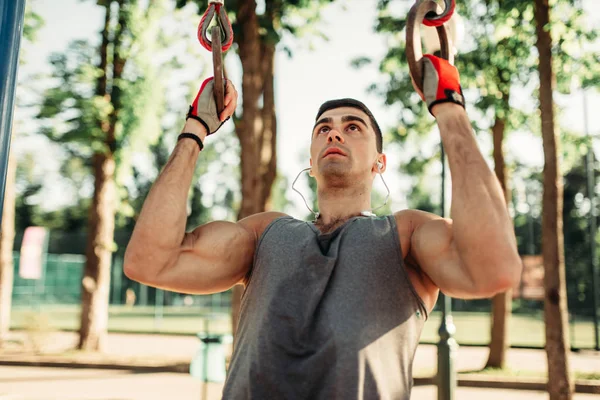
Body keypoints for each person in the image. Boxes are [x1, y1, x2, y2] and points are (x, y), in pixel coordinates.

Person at [124, 55, 522, 399]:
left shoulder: (406, 234)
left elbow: (492, 267)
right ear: (311, 163)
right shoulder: (265, 233)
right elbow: (150, 261)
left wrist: (449, 107)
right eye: (323, 128)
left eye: (353, 127)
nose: (335, 131)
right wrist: (195, 129)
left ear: (378, 162)